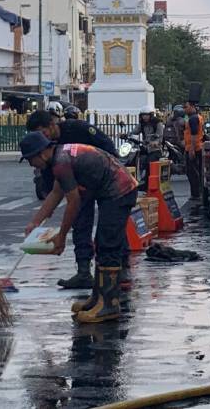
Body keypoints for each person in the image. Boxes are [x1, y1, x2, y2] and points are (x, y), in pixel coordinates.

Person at [20, 132, 139, 323]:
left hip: (119, 191)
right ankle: (98, 298)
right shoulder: (60, 157)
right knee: (102, 243)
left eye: (30, 160)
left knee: (108, 244)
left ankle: (109, 304)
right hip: (113, 189)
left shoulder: (61, 163)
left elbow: (73, 202)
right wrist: (35, 221)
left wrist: (61, 236)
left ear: (41, 154)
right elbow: (56, 193)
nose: (31, 165)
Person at [26, 109, 118, 290]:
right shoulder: (47, 150)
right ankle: (84, 271)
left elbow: (108, 147)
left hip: (105, 181)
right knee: (80, 225)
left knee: (110, 229)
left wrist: (61, 235)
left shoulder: (78, 129)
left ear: (52, 125)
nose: (41, 138)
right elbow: (53, 187)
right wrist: (39, 217)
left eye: (42, 132)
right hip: (78, 187)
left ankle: (117, 274)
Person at [131, 105, 164, 185]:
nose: (144, 117)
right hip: (145, 147)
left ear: (151, 115)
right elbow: (134, 132)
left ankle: (148, 184)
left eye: (146, 115)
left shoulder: (158, 123)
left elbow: (160, 136)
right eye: (143, 115)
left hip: (155, 149)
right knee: (135, 159)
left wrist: (156, 142)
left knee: (150, 163)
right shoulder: (142, 124)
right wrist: (124, 135)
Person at [183, 100, 204, 202]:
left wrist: (191, 149)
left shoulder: (193, 119)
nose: (184, 109)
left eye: (186, 107)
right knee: (196, 171)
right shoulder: (197, 117)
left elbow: (194, 135)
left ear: (192, 107)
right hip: (197, 147)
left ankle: (196, 194)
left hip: (194, 148)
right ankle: (197, 193)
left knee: (192, 172)